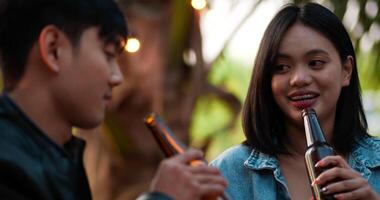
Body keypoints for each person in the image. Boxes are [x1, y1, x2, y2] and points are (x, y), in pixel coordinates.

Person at [0, 0, 227, 199]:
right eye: (108, 54)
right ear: (53, 49)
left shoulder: (58, 159)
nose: (117, 77)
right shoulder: (9, 165)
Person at [211, 2, 380, 200]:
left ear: (346, 70)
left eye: (315, 63)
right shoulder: (226, 174)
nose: (299, 78)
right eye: (282, 67)